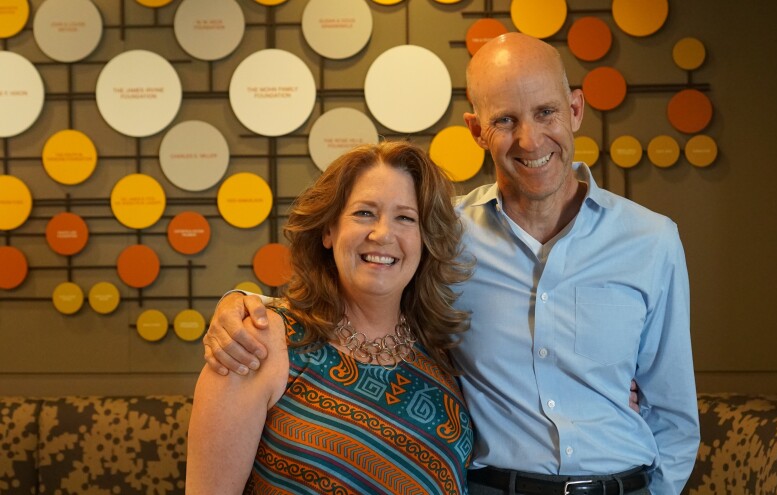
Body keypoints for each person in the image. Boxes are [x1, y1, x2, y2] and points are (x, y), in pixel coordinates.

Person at [205, 33, 699, 494]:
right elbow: (362, 286)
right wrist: (240, 304)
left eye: (546, 112)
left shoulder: (651, 240)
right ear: (477, 131)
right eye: (505, 120)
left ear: (574, 110)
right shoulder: (441, 234)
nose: (530, 139)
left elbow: (674, 415)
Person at [186, 141, 474, 494]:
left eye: (405, 218)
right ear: (328, 230)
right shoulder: (253, 343)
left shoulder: (440, 351)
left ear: (425, 239)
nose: (383, 234)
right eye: (364, 213)